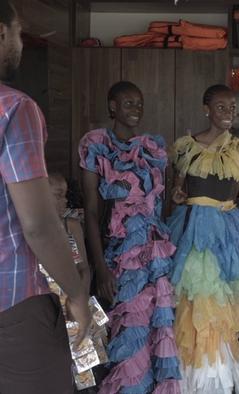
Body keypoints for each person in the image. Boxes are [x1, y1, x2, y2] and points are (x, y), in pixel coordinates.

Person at [0, 2, 91, 393]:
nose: (20, 42)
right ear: (2, 33)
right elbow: (37, 225)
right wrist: (76, 295)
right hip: (13, 307)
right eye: (18, 32)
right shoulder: (13, 108)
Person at [167, 84, 239, 394]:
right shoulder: (186, 147)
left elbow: (231, 194)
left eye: (232, 107)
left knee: (232, 302)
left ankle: (227, 372)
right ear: (207, 109)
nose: (228, 112)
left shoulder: (238, 150)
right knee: (199, 300)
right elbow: (178, 191)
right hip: (193, 230)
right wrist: (179, 195)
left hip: (226, 230)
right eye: (221, 107)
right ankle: (199, 376)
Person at [80, 81, 180, 393]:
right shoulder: (96, 145)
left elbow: (161, 208)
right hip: (119, 256)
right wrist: (100, 267)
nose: (135, 109)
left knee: (155, 331)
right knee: (126, 333)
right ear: (112, 107)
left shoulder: (153, 148)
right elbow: (92, 213)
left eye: (139, 103)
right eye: (127, 104)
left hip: (154, 255)